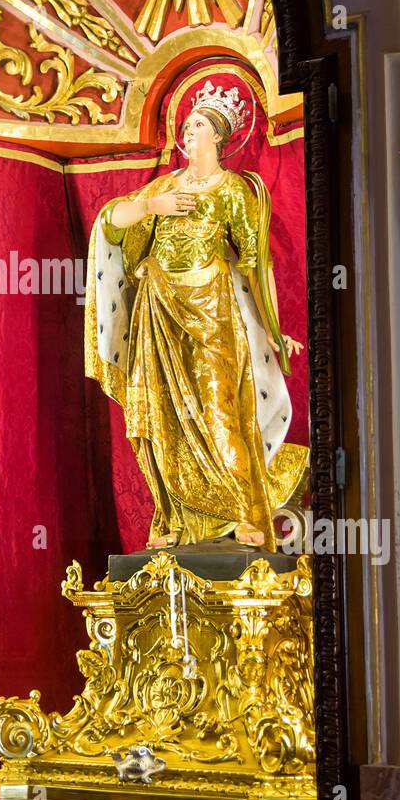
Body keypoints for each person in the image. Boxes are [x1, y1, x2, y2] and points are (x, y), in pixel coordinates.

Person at [85, 79, 308, 550]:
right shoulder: (162, 188)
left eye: (199, 125)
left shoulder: (234, 191)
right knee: (162, 415)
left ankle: (241, 515)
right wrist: (150, 205)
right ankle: (177, 522)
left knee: (219, 408)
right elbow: (109, 221)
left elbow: (255, 262)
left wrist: (271, 328)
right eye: (186, 125)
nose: (188, 132)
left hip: (212, 309)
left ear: (219, 136)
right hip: (157, 309)